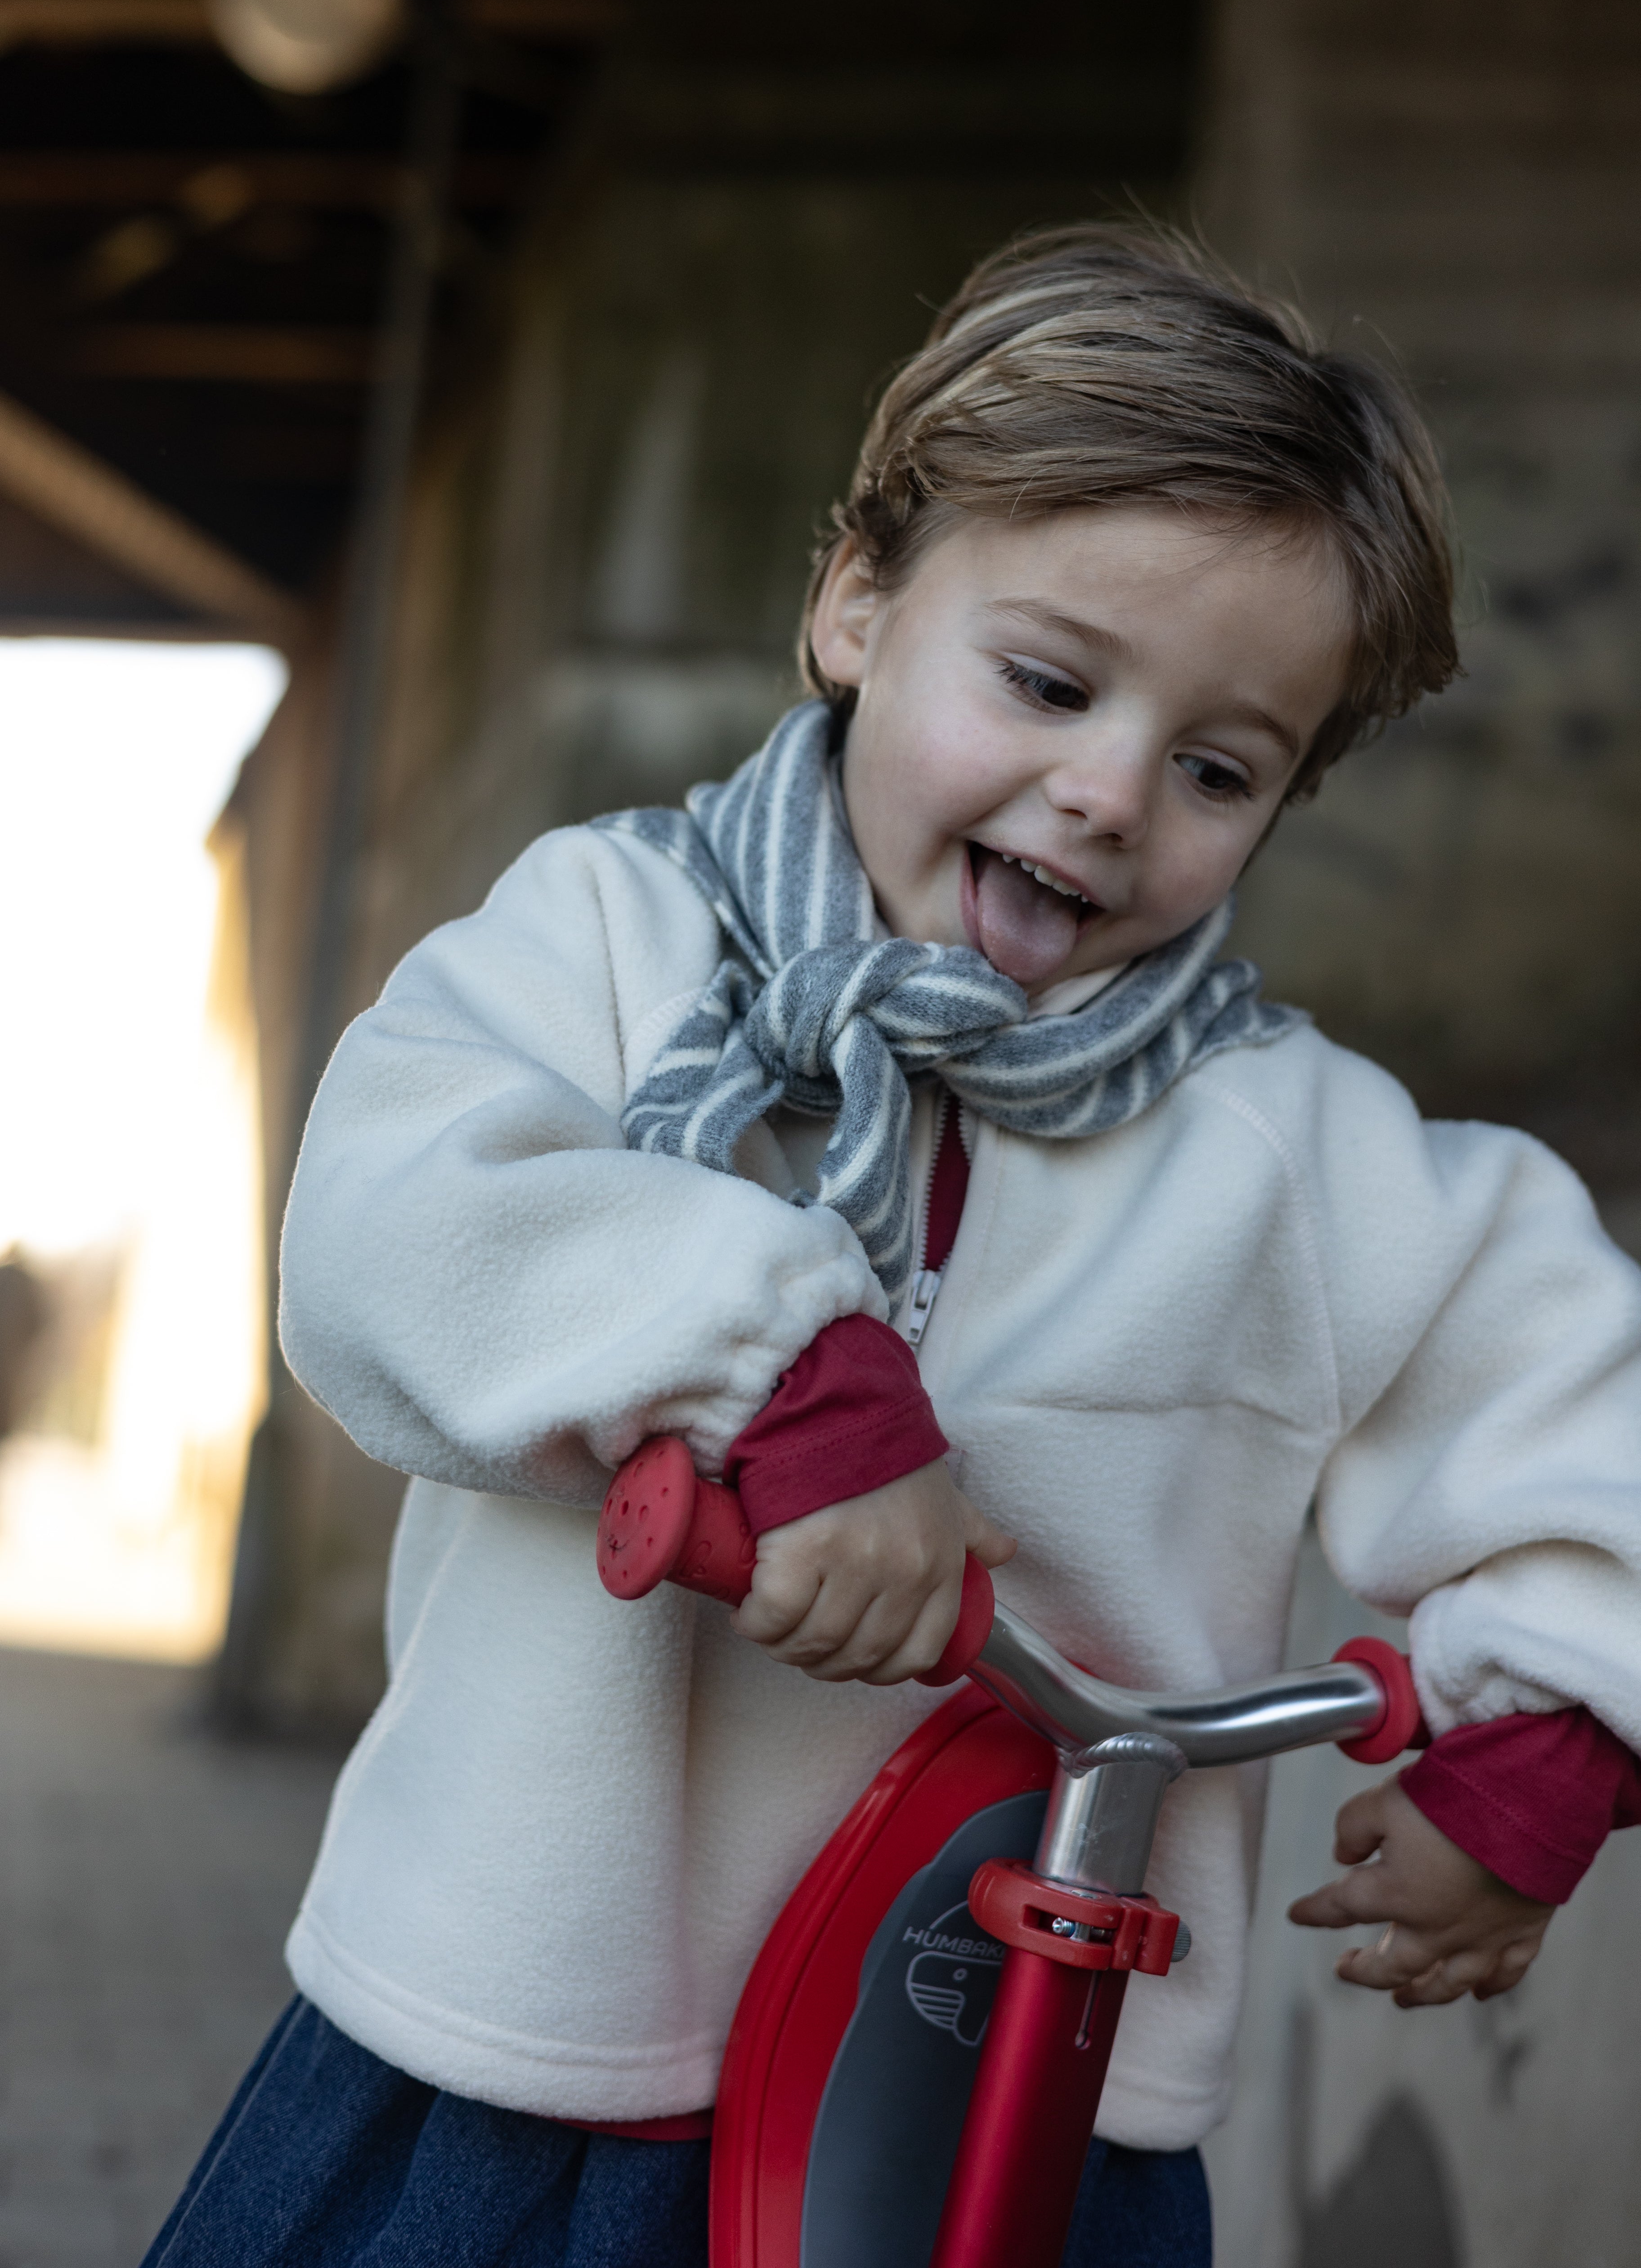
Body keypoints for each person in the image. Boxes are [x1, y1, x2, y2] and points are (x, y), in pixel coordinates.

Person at [145, 229, 1641, 2268]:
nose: (1109, 792)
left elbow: (1577, 1397)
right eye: (1046, 681)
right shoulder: (617, 944)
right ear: (857, 603)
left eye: (1220, 768)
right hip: (543, 2044)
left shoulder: (1291, 1152)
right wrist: (781, 1372)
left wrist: (1557, 1715)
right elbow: (396, 1222)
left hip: (1022, 2080)